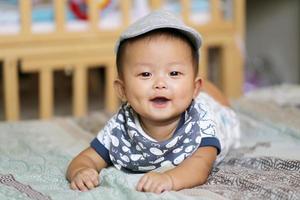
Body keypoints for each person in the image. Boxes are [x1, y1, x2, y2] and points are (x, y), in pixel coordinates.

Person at [66, 10, 240, 194]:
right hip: (186, 94)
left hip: (218, 115)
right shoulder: (120, 127)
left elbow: (201, 166)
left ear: (195, 88)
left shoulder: (201, 122)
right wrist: (81, 170)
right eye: (146, 74)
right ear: (122, 90)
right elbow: (87, 158)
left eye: (173, 73)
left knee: (221, 105)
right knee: (181, 91)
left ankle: (204, 90)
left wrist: (169, 178)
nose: (160, 84)